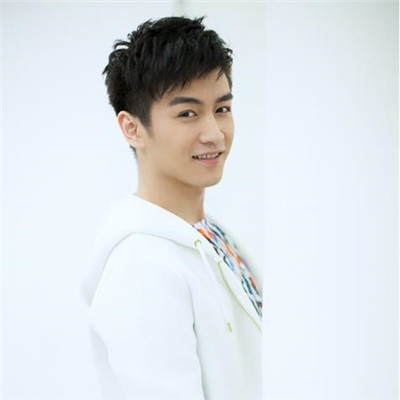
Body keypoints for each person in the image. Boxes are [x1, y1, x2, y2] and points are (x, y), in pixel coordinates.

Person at [81, 15, 263, 400]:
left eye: (222, 109)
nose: (214, 133)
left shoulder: (210, 234)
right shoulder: (142, 266)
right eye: (187, 114)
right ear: (132, 128)